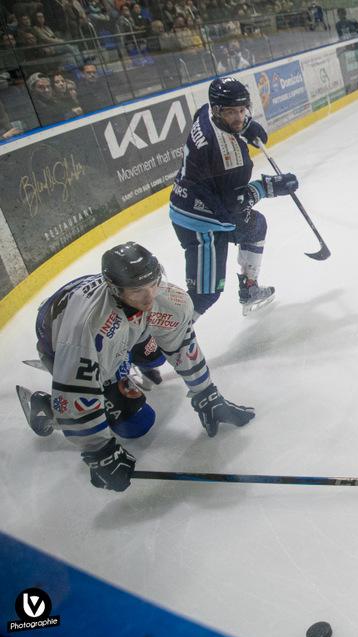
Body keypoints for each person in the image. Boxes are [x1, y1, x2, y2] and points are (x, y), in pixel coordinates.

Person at [17, 242, 255, 493]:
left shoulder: (165, 298)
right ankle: (46, 409)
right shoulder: (86, 332)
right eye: (138, 290)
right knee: (136, 424)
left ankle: (125, 364)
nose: (150, 297)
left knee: (155, 355)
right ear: (115, 290)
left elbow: (182, 347)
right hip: (60, 341)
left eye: (153, 283)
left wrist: (207, 393)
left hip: (114, 328)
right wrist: (100, 451)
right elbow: (76, 393)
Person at [169, 77, 298, 317]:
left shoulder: (207, 112)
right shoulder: (227, 157)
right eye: (231, 112)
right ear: (218, 110)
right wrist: (269, 186)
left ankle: (249, 288)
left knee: (256, 225)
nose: (238, 117)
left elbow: (201, 114)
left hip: (200, 201)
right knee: (205, 295)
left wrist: (246, 126)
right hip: (199, 221)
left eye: (242, 110)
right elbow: (235, 205)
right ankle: (162, 339)